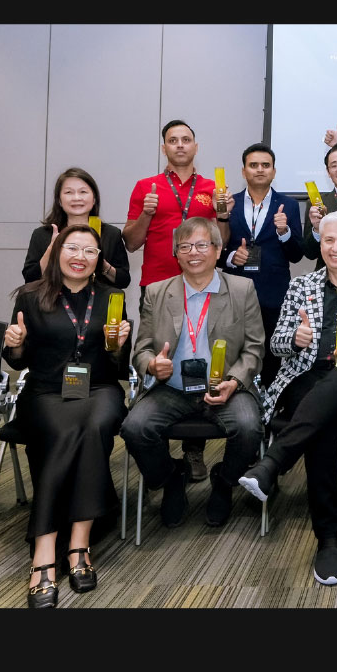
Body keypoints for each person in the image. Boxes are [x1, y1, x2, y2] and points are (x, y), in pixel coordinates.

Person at [239, 210, 337, 585]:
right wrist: (294, 339)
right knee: (321, 419)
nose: (336, 248)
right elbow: (276, 344)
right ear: (320, 245)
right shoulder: (300, 286)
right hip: (305, 379)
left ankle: (273, 462)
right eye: (329, 240)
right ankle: (329, 541)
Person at [2, 224, 131, 608]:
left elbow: (118, 367)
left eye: (90, 251)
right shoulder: (30, 296)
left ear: (99, 260)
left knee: (94, 424)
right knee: (64, 429)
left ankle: (77, 544)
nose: (80, 257)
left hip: (99, 389)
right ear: (57, 252)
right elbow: (16, 361)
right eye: (72, 248)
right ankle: (45, 550)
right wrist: (16, 345)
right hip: (46, 391)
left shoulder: (113, 297)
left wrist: (119, 346)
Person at [120, 218, 267, 529]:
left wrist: (234, 382)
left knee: (249, 427)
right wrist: (152, 365)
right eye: (184, 246)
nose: (193, 252)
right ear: (176, 253)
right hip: (171, 389)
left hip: (226, 387)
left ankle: (224, 481)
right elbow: (141, 350)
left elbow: (254, 348)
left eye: (201, 245)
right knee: (135, 428)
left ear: (218, 250)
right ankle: (172, 477)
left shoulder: (241, 289)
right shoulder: (157, 292)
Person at [125, 119, 221, 482]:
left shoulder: (212, 189)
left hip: (201, 288)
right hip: (158, 289)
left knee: (197, 361)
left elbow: (222, 242)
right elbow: (131, 242)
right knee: (160, 361)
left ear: (196, 146)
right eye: (173, 140)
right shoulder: (145, 187)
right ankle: (159, 448)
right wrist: (147, 213)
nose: (180, 145)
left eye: (186, 139)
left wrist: (223, 212)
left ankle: (194, 449)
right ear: (163, 148)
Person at [217, 143, 303, 390]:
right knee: (234, 350)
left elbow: (296, 255)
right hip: (235, 292)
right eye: (253, 165)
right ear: (243, 171)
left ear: (274, 171)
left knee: (271, 356)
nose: (260, 170)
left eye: (266, 165)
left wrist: (284, 231)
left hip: (274, 294)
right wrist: (231, 257)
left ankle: (269, 403)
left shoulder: (288, 205)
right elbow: (215, 250)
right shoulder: (228, 204)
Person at [22, 167, 130, 289]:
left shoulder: (111, 234)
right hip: (52, 299)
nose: (76, 198)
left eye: (83, 192)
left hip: (97, 300)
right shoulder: (42, 234)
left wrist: (101, 264)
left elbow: (124, 281)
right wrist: (52, 248)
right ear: (59, 200)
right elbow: (30, 278)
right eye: (69, 192)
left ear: (94, 199)